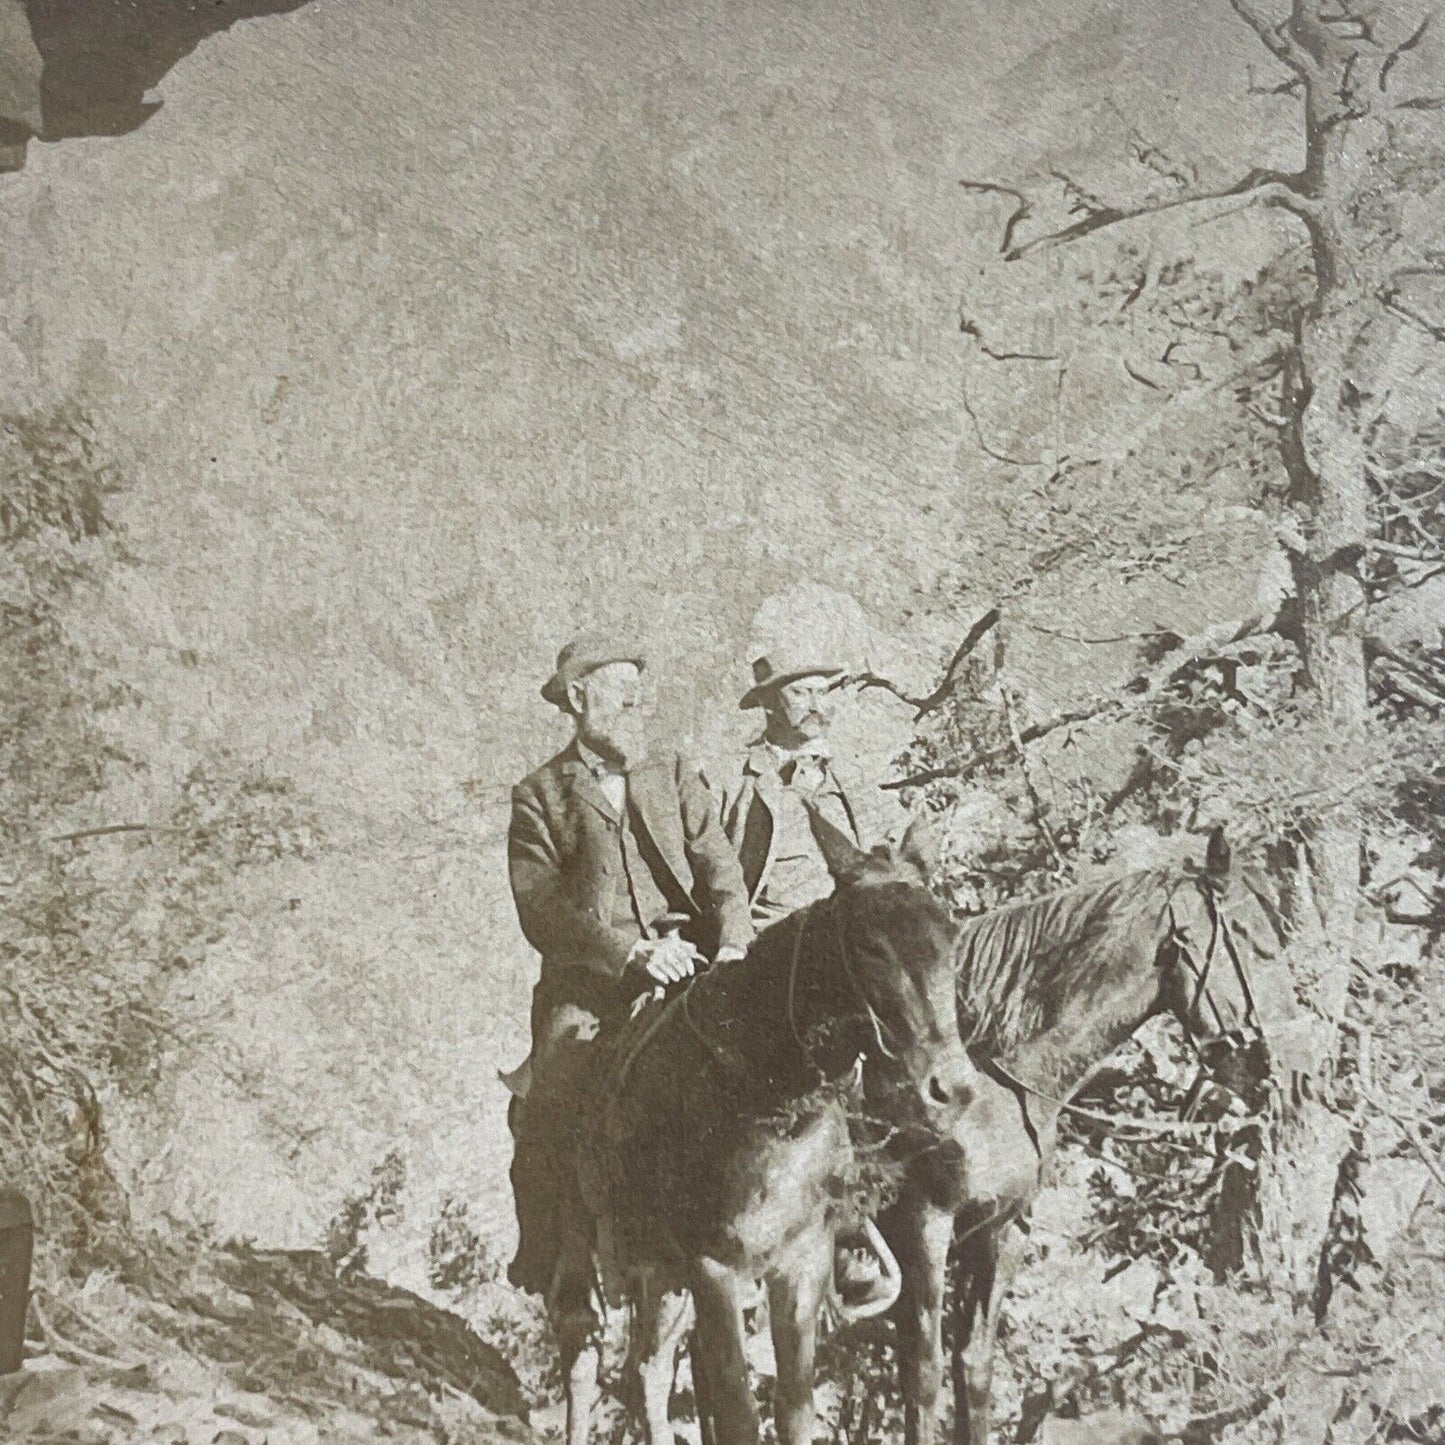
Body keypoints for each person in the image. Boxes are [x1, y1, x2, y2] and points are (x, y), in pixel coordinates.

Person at [505, 632, 754, 1294]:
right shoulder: (539, 794)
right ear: (579, 698)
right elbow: (544, 912)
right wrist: (634, 952)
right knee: (549, 1096)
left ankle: (817, 1226)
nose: (635, 704)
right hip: (594, 987)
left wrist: (731, 942)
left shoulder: (672, 773)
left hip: (699, 964)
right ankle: (547, 1251)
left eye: (639, 696)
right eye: (620, 693)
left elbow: (719, 866)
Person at [710, 648, 907, 1319]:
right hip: (772, 953)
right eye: (801, 692)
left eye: (825, 690)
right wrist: (729, 942)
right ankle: (826, 1228)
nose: (817, 703)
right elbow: (718, 872)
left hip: (844, 951)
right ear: (769, 705)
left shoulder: (849, 779)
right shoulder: (738, 780)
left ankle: (904, 1205)